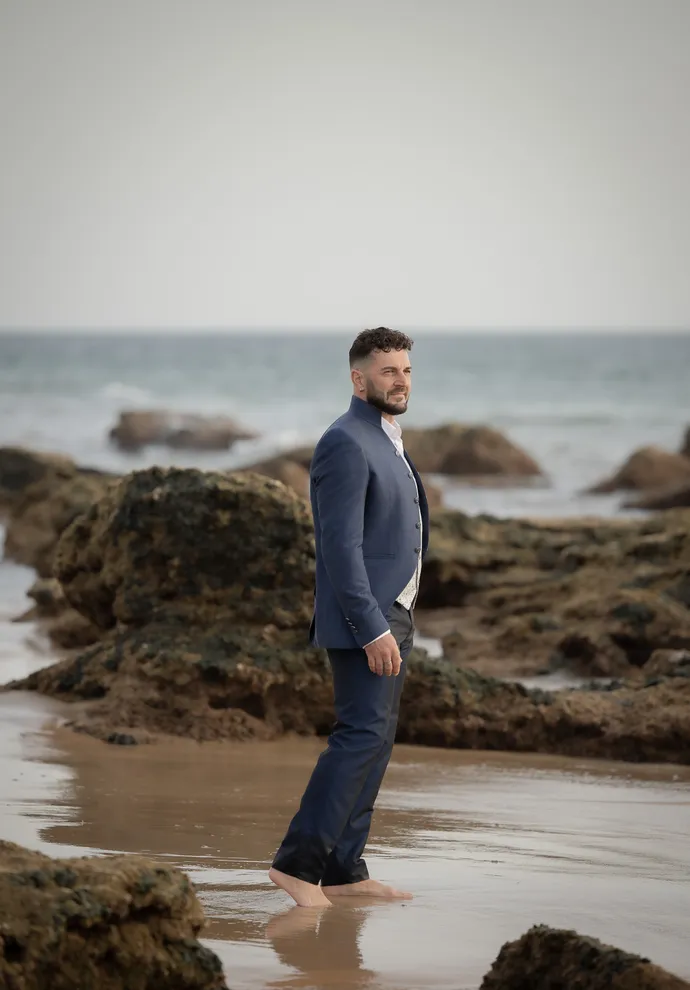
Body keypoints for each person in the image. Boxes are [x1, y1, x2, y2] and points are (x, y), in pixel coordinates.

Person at [269, 327, 429, 907]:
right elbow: (340, 548)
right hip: (368, 619)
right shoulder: (345, 441)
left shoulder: (386, 438)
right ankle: (296, 864)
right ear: (359, 378)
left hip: (396, 611)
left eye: (407, 370)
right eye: (389, 371)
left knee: (377, 740)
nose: (401, 380)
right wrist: (373, 627)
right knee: (358, 736)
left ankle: (345, 869)